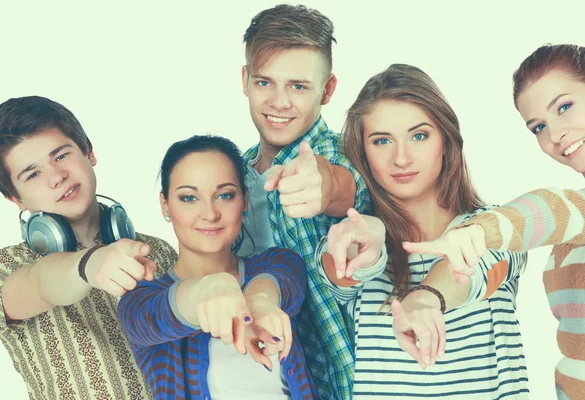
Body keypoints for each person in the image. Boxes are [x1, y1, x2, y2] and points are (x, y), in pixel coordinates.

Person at [317, 64, 529, 398]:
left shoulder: (502, 227)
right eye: (382, 140)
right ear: (364, 153)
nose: (401, 158)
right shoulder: (347, 237)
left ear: (445, 141)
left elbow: (477, 258)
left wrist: (425, 300)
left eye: (419, 136)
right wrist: (369, 238)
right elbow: (342, 270)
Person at [404, 44, 585, 400]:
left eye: (565, 107)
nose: (554, 134)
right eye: (538, 126)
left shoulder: (581, 210)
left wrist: (478, 231)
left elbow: (552, 208)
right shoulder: (582, 221)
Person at [0, 96, 177, 400]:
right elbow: (39, 283)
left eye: (61, 156)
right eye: (32, 174)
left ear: (88, 152)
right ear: (16, 199)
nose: (57, 177)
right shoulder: (7, 266)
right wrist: (88, 264)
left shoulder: (157, 252)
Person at [237, 5, 370, 398]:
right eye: (265, 83)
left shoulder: (349, 156)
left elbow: (347, 186)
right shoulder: (233, 177)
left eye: (298, 86)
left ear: (327, 90)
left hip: (349, 384)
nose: (279, 102)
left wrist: (326, 187)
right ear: (245, 80)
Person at [118, 135, 316, 399]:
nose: (210, 214)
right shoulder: (139, 301)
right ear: (165, 205)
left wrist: (258, 300)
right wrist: (210, 288)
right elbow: (157, 318)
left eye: (224, 195)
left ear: (244, 202)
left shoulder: (277, 261)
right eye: (189, 198)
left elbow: (284, 279)